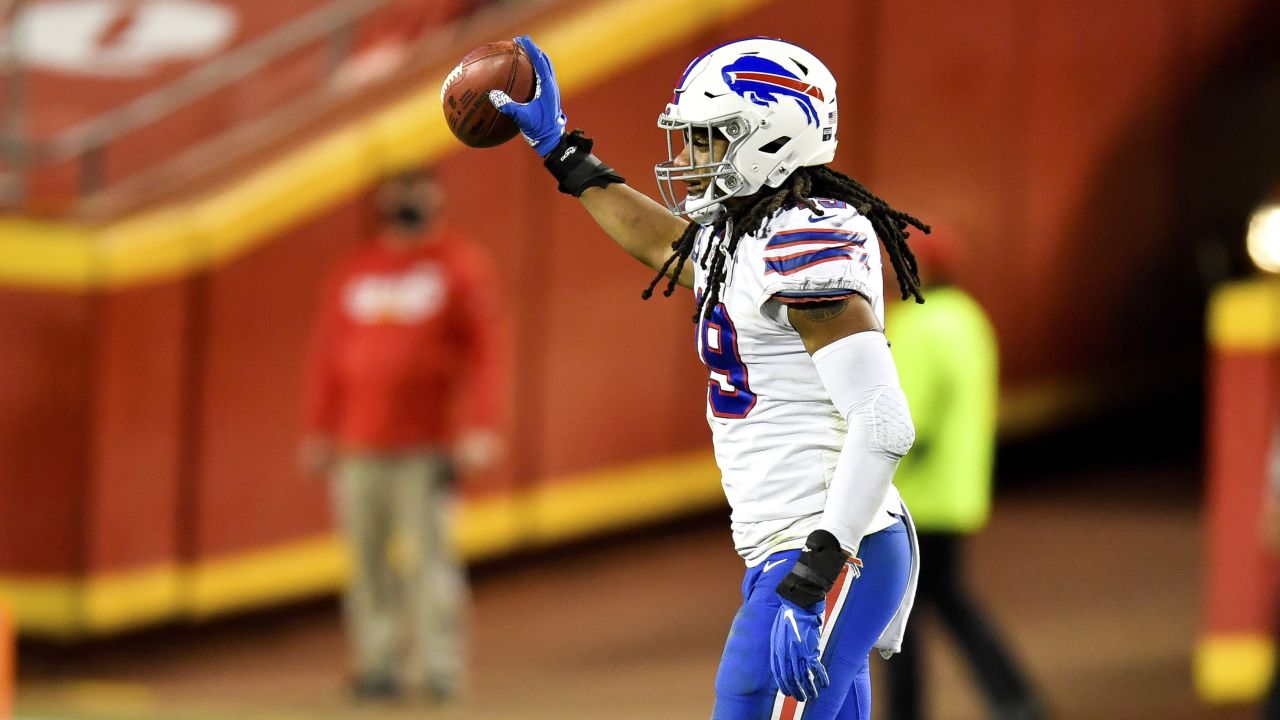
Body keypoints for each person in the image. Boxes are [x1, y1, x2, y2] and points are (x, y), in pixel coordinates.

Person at [489, 35, 925, 719]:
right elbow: (663, 241)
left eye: (709, 139)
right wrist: (562, 153)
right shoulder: (748, 232)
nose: (689, 159)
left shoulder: (804, 242)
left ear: (772, 138)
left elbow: (884, 423)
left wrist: (810, 582)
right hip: (795, 547)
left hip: (828, 549)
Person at [300, 167, 503, 704]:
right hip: (357, 445)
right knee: (365, 566)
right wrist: (320, 427)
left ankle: (441, 668)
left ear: (435, 198)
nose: (407, 203)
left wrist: (480, 426)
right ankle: (376, 664)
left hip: (425, 443)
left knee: (430, 563)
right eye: (398, 193)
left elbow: (485, 354)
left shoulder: (458, 266)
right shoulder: (355, 269)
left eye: (417, 192)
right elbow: (328, 356)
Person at [878, 227, 1047, 720]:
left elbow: (906, 418)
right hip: (955, 490)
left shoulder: (918, 325)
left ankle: (913, 711)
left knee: (901, 618)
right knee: (945, 601)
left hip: (914, 497)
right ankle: (1013, 696)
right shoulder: (969, 318)